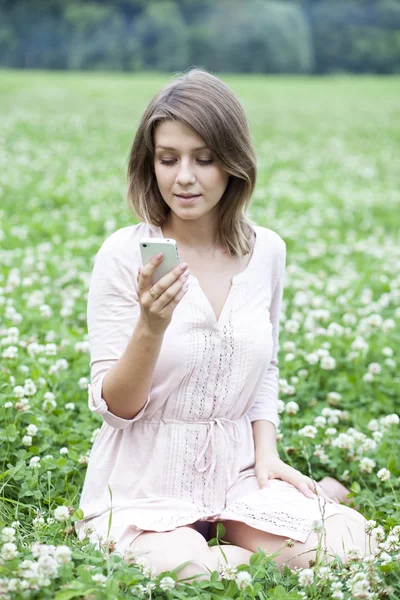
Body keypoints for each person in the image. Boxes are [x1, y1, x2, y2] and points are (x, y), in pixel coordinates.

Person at [75, 67, 378, 580]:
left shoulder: (267, 252)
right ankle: (235, 541)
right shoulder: (124, 255)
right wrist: (151, 325)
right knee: (194, 567)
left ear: (234, 163)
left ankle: (268, 514)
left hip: (238, 471)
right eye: (168, 160)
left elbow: (266, 365)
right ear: (150, 165)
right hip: (143, 479)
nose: (183, 177)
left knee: (355, 546)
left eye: (204, 159)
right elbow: (117, 410)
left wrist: (267, 451)